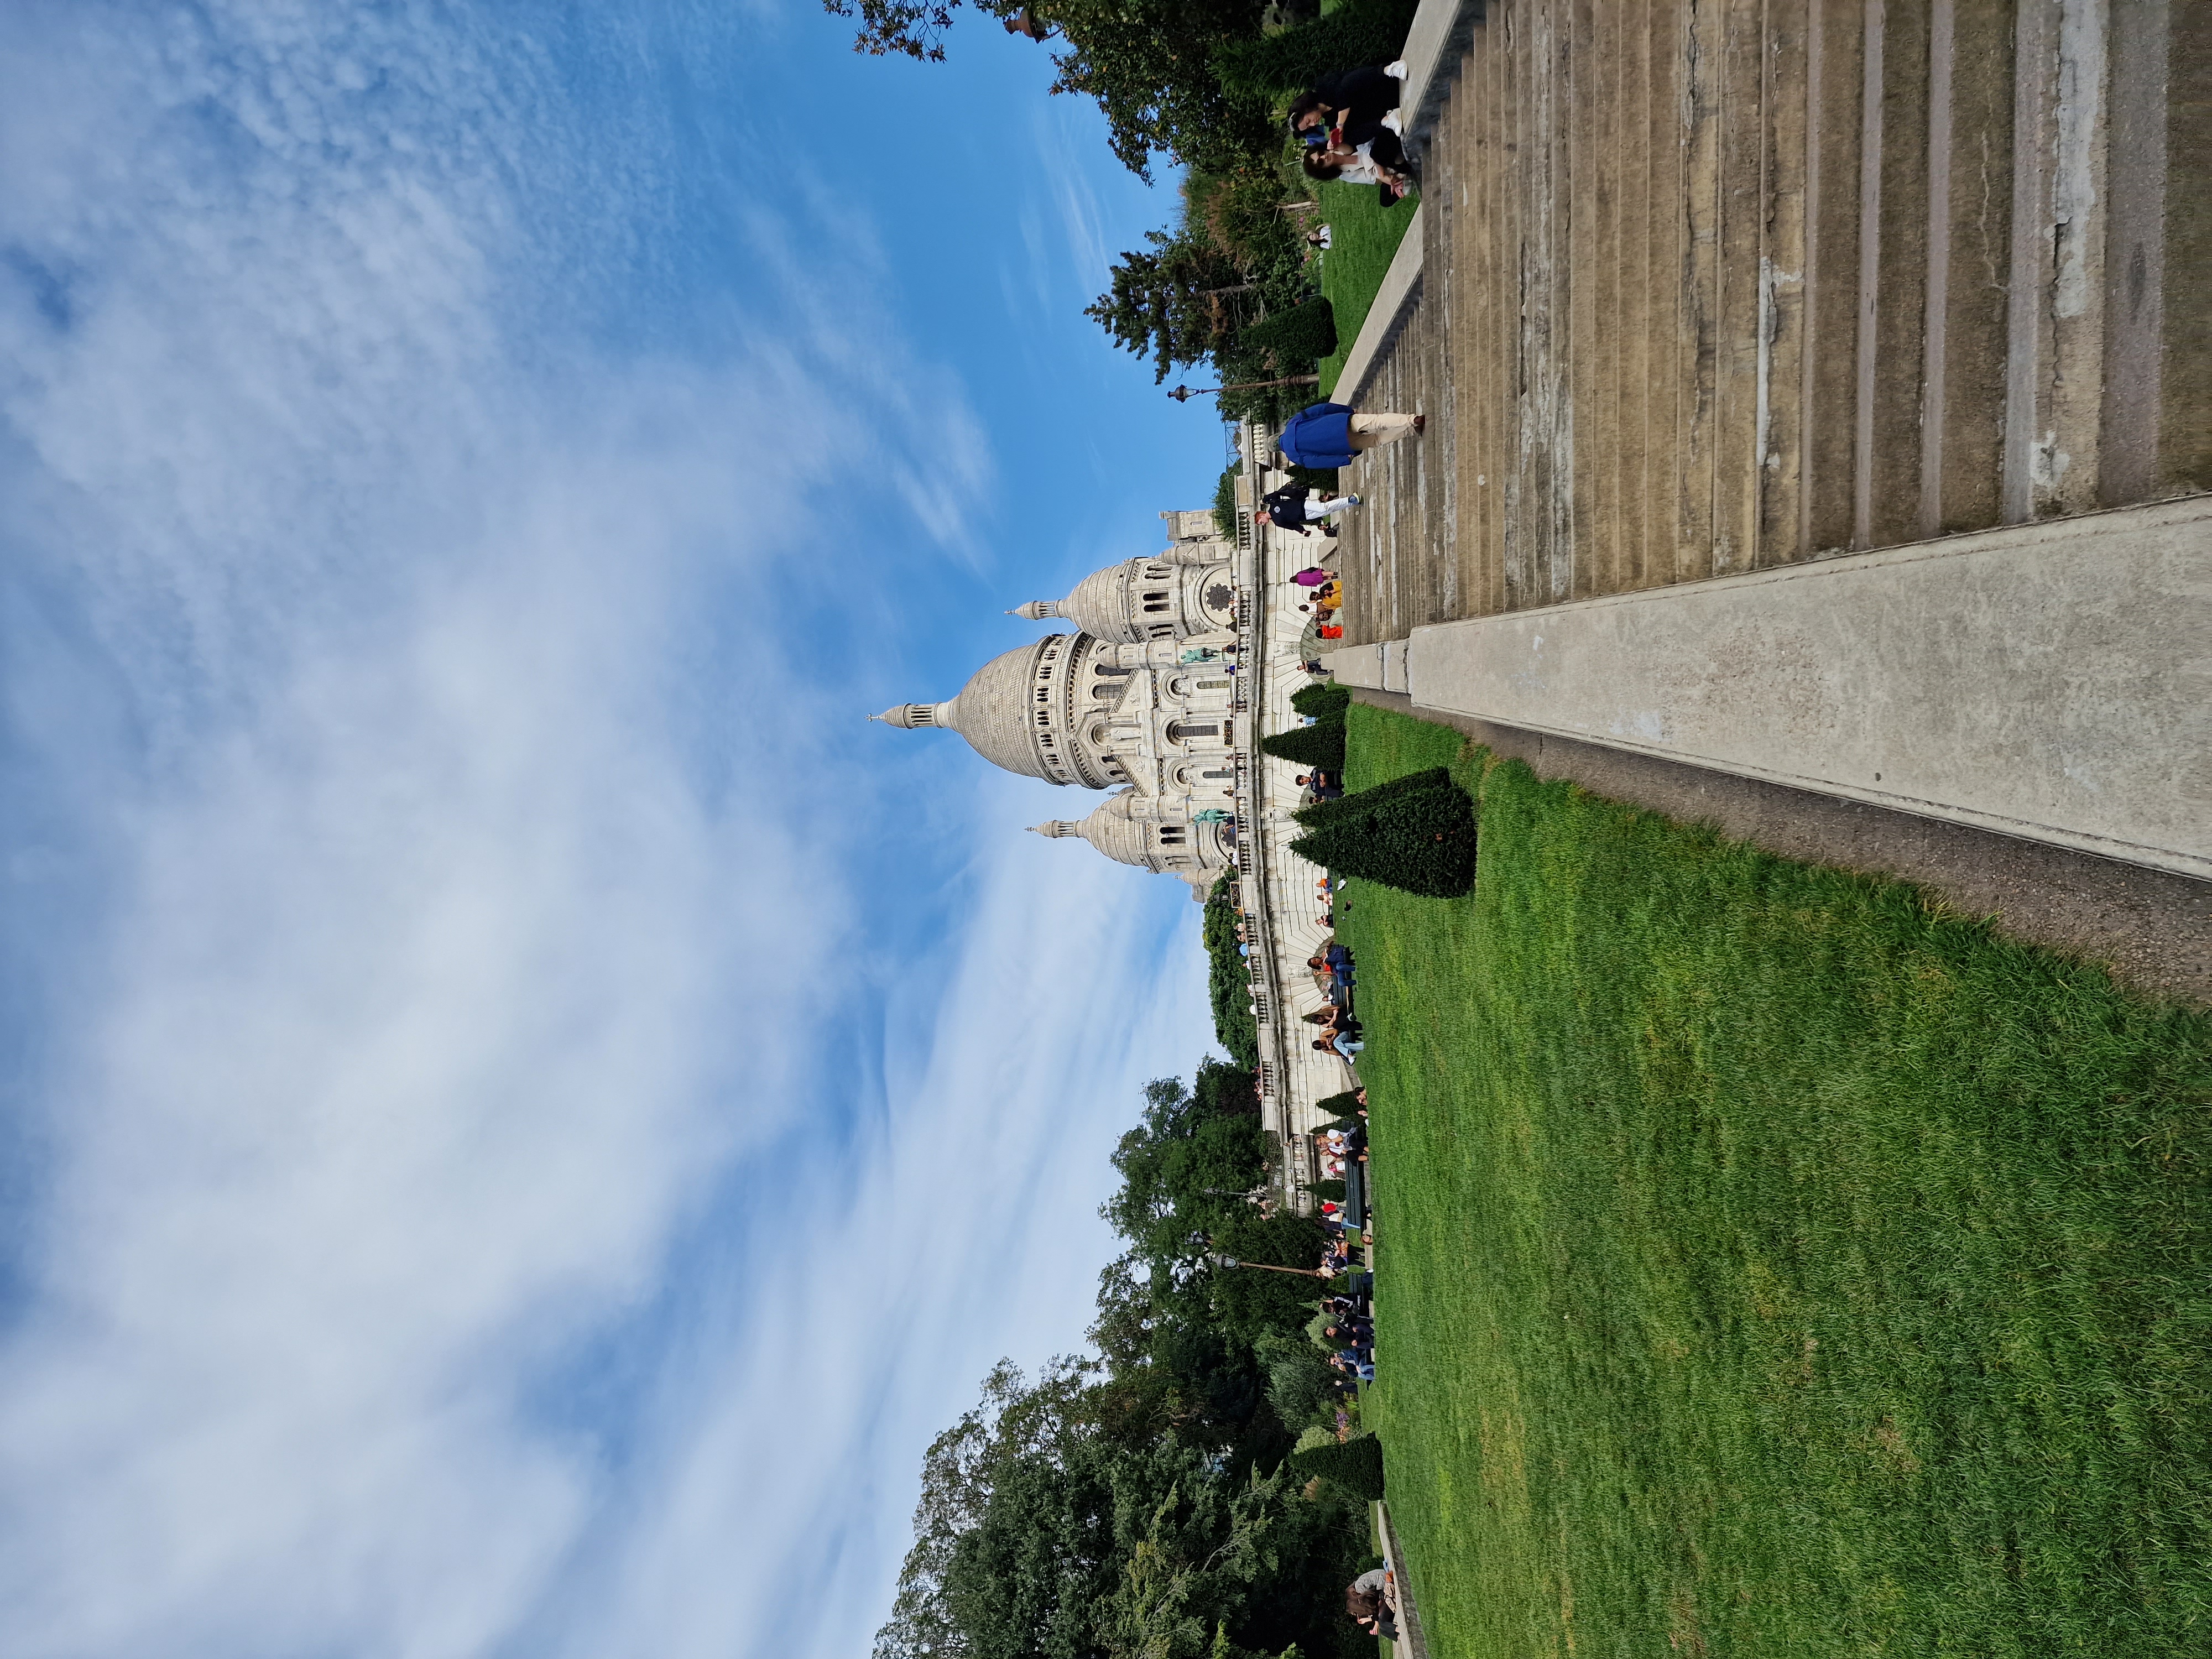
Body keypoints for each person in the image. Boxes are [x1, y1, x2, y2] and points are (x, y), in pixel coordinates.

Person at [1278, 401, 1426, 469]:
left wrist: (1343, 460)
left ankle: (1410, 431)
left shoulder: (1294, 456)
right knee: (1377, 421)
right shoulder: (1293, 424)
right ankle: (1412, 420)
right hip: (1340, 422)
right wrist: (1346, 410)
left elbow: (1317, 461)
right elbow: (1321, 409)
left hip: (1343, 444)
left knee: (1377, 440)